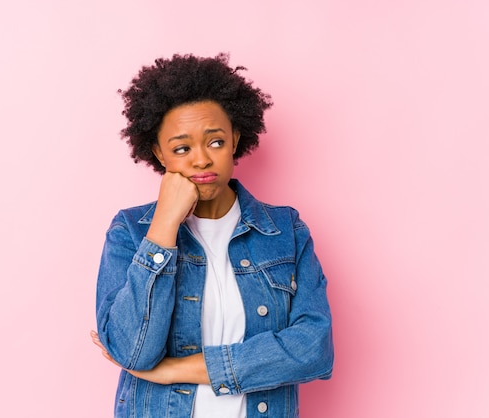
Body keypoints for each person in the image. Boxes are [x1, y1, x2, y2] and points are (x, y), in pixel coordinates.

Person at [91, 53, 333, 418]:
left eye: (215, 142)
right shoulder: (129, 232)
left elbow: (314, 348)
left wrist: (176, 370)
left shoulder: (285, 231)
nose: (201, 160)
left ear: (235, 138)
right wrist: (163, 227)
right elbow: (132, 352)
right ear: (159, 152)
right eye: (182, 148)